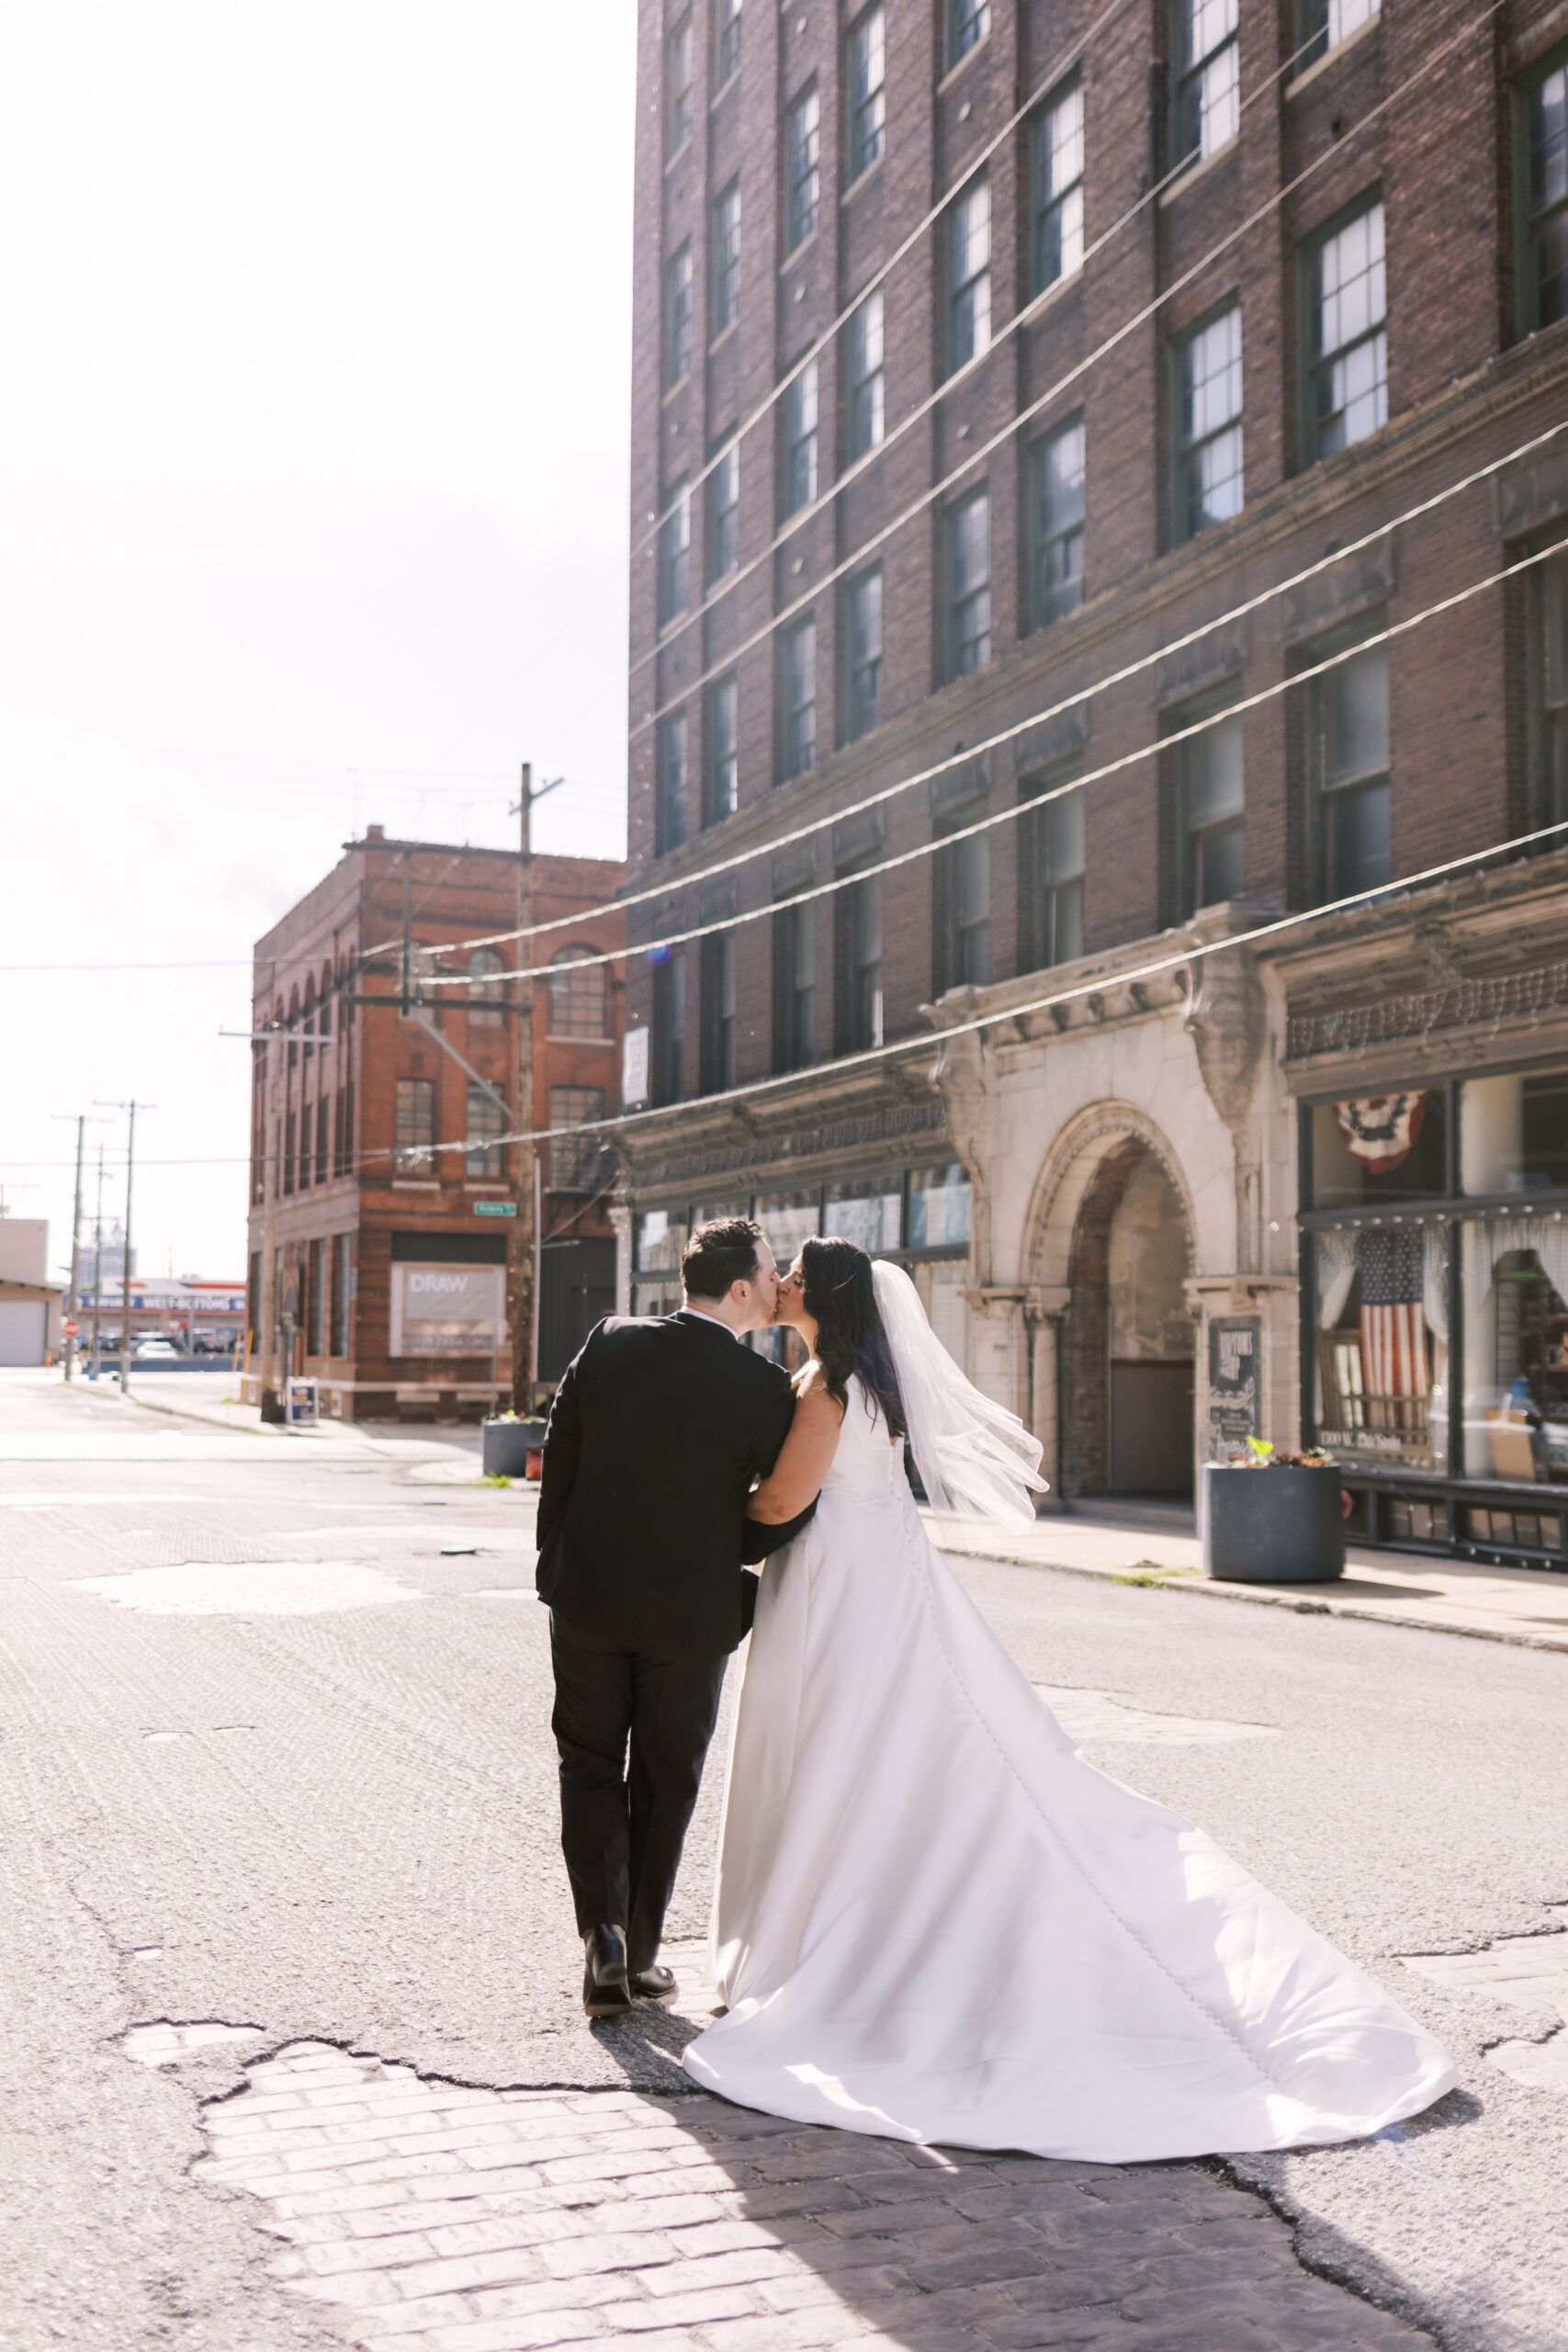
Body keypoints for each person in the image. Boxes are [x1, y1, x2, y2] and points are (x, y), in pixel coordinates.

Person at [682, 1236, 1456, 2163]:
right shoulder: (872, 1391)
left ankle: (831, 1938)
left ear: (829, 1297)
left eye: (797, 1276)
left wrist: (692, 1518)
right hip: (886, 1581)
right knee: (903, 1747)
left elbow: (777, 1507)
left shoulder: (825, 1389)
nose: (784, 1285)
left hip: (840, 1592)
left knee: (844, 1748)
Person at [536, 1216, 812, 2020]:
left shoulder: (609, 1341)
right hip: (691, 1619)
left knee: (587, 1765)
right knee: (666, 1780)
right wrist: (720, 1552)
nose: (774, 1286)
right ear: (737, 1288)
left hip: (586, 1600)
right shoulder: (761, 1388)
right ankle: (643, 1953)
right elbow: (781, 1508)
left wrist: (556, 1566)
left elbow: (563, 1458)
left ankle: (604, 1940)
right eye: (767, 1274)